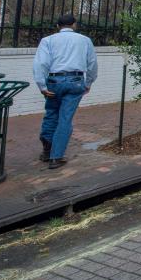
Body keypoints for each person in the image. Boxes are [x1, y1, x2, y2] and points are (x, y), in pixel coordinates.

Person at [33, 14, 98, 169]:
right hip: (75, 82)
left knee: (51, 113)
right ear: (74, 25)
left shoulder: (47, 40)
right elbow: (92, 64)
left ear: (57, 26)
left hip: (54, 81)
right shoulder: (84, 41)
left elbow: (41, 63)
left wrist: (42, 85)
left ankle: (47, 150)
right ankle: (56, 156)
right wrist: (88, 82)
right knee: (65, 118)